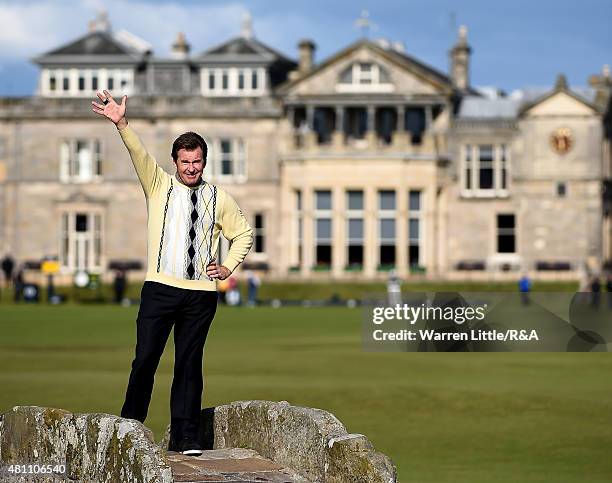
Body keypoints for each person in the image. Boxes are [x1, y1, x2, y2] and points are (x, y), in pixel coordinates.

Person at [92, 90, 253, 456]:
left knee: (189, 365)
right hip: (160, 289)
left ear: (204, 161)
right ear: (175, 162)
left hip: (201, 294)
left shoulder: (219, 197)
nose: (191, 168)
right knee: (145, 358)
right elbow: (139, 154)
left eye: (197, 161)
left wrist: (227, 265)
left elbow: (243, 233)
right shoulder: (158, 185)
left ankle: (186, 436)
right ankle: (130, 427)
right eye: (185, 162)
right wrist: (122, 124)